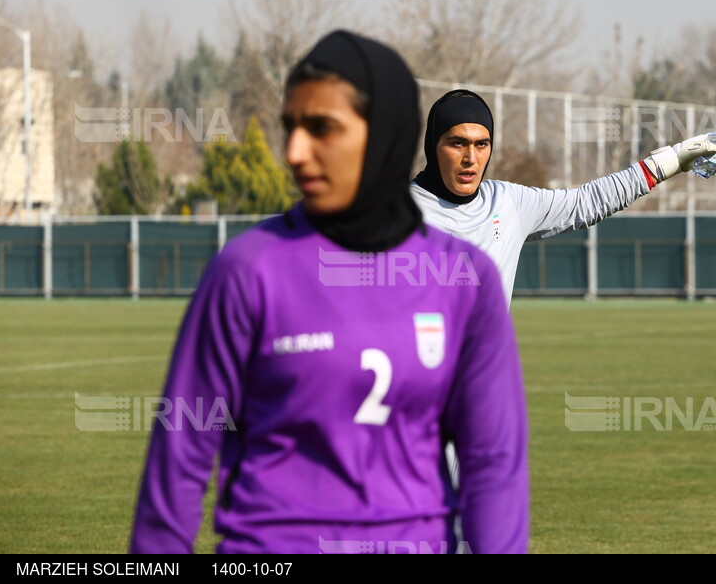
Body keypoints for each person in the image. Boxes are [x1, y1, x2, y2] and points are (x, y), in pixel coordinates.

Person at [129, 32, 529, 554]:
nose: (295, 152)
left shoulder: (465, 282)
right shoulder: (246, 271)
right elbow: (180, 452)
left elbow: (493, 462)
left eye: (321, 129)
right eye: (291, 128)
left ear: (381, 134)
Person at [410, 89, 716, 304]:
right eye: (457, 143)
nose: (471, 158)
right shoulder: (392, 211)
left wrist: (672, 161)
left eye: (482, 144)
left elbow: (587, 202)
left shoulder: (508, 203)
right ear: (432, 147)